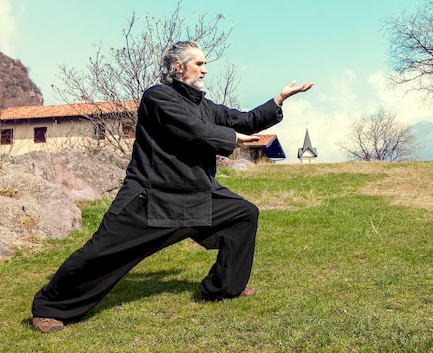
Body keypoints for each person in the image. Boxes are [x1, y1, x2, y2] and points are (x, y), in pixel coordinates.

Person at [30, 40, 314, 333]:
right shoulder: (156, 97)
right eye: (199, 64)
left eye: (205, 64)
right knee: (101, 253)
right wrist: (231, 138)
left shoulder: (203, 105)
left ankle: (222, 287)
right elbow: (193, 129)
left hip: (195, 193)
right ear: (179, 67)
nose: (205, 70)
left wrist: (279, 99)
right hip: (152, 197)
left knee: (243, 215)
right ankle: (48, 307)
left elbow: (244, 120)